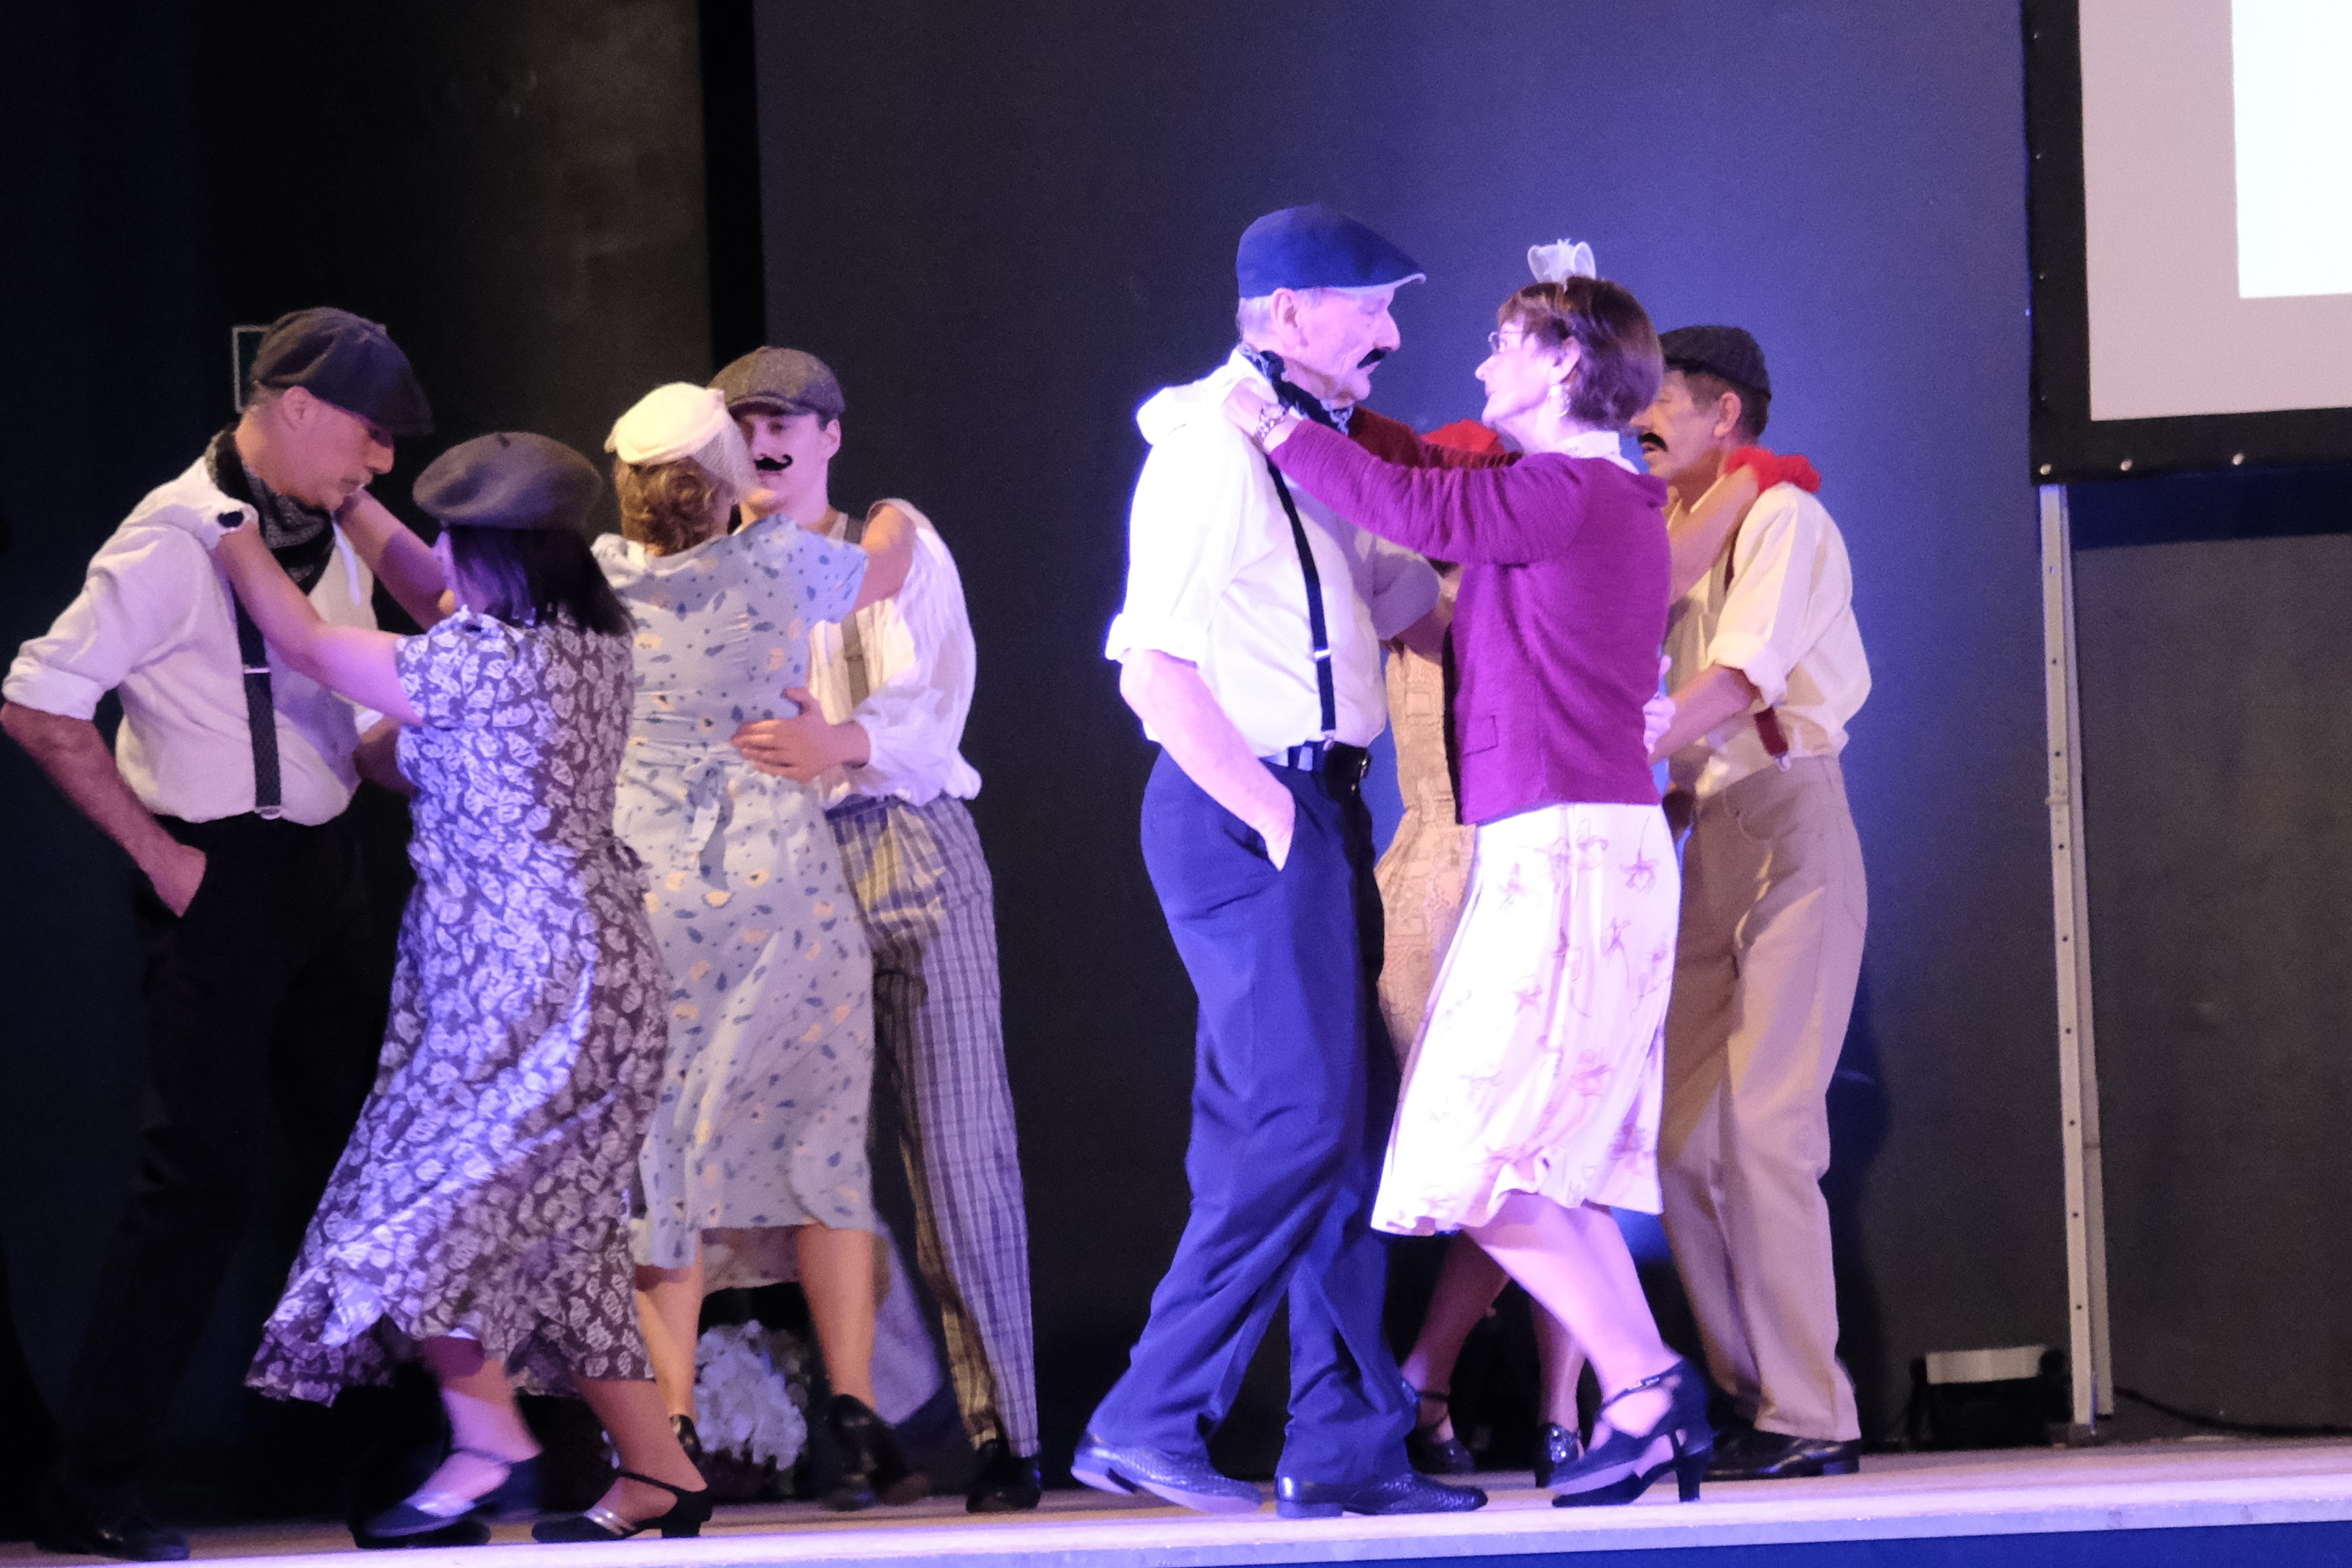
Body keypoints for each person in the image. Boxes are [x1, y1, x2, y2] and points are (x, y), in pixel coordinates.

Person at [1224, 275, 1777, 1509]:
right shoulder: (1573, 490)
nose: (1479, 366)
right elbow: (1428, 468)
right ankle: (1643, 1399)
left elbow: (1411, 499)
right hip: (1572, 845)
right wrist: (1327, 405)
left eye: (1499, 345)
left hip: (1568, 851)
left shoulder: (1569, 489)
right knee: (1521, 1158)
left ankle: (1645, 1383)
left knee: (1466, 1152)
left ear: (1563, 365)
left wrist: (1266, 420)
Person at [214, 430, 711, 1543]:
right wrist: (353, 504)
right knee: (563, 1241)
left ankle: (490, 1443)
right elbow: (428, 590)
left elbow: (303, 640)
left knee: (414, 1220)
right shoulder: (585, 640)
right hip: (547, 975)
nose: (436, 555)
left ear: (497, 558)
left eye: (454, 540)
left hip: (538, 981)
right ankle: (658, 1473)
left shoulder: (480, 663)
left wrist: (227, 524)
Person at [1, 309, 440, 1561]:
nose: (382, 462)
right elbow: (37, 703)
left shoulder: (329, 521)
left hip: (329, 870)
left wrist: (391, 754)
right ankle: (90, 1487)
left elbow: (331, 691)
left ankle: (386, 1472)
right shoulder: (171, 533)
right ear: (296, 406)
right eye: (370, 436)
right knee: (197, 1184)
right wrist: (161, 858)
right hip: (220, 880)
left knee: (363, 1173)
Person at [1079, 203, 1482, 1520]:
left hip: (1322, 804)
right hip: (1249, 803)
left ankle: (1346, 1449)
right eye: (1370, 307)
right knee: (1301, 1122)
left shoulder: (1311, 447)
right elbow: (1150, 665)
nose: (1392, 335)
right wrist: (1269, 816)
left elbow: (1407, 606)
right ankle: (1148, 1415)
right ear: (1291, 309)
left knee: (1341, 1133)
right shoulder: (1206, 447)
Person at [715, 348, 1046, 1512]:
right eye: (745, 422)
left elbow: (930, 714)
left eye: (785, 420)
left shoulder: (894, 541)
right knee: (804, 1166)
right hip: (783, 873)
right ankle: (879, 1419)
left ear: (828, 436)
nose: (765, 438)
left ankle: (1009, 1436)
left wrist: (839, 744)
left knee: (958, 1149)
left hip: (905, 843)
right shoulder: (704, 571)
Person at [596, 384, 925, 1512]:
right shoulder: (782, 561)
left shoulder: (598, 577)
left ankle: (672, 1424)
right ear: (726, 477)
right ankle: (856, 1410)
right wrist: (892, 517)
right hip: (784, 887)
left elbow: (444, 592)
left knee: (669, 1154)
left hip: (657, 897)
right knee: (823, 1148)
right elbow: (885, 569)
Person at [1635, 326, 1871, 1482]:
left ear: (1722, 411)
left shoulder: (1781, 517)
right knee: (1680, 1142)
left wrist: (1603, 752)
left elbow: (1736, 681)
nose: (1638, 421)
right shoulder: (1669, 537)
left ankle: (1809, 1412)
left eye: (1658, 400)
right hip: (1705, 834)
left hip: (1787, 818)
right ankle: (1751, 1397)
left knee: (1767, 1128)